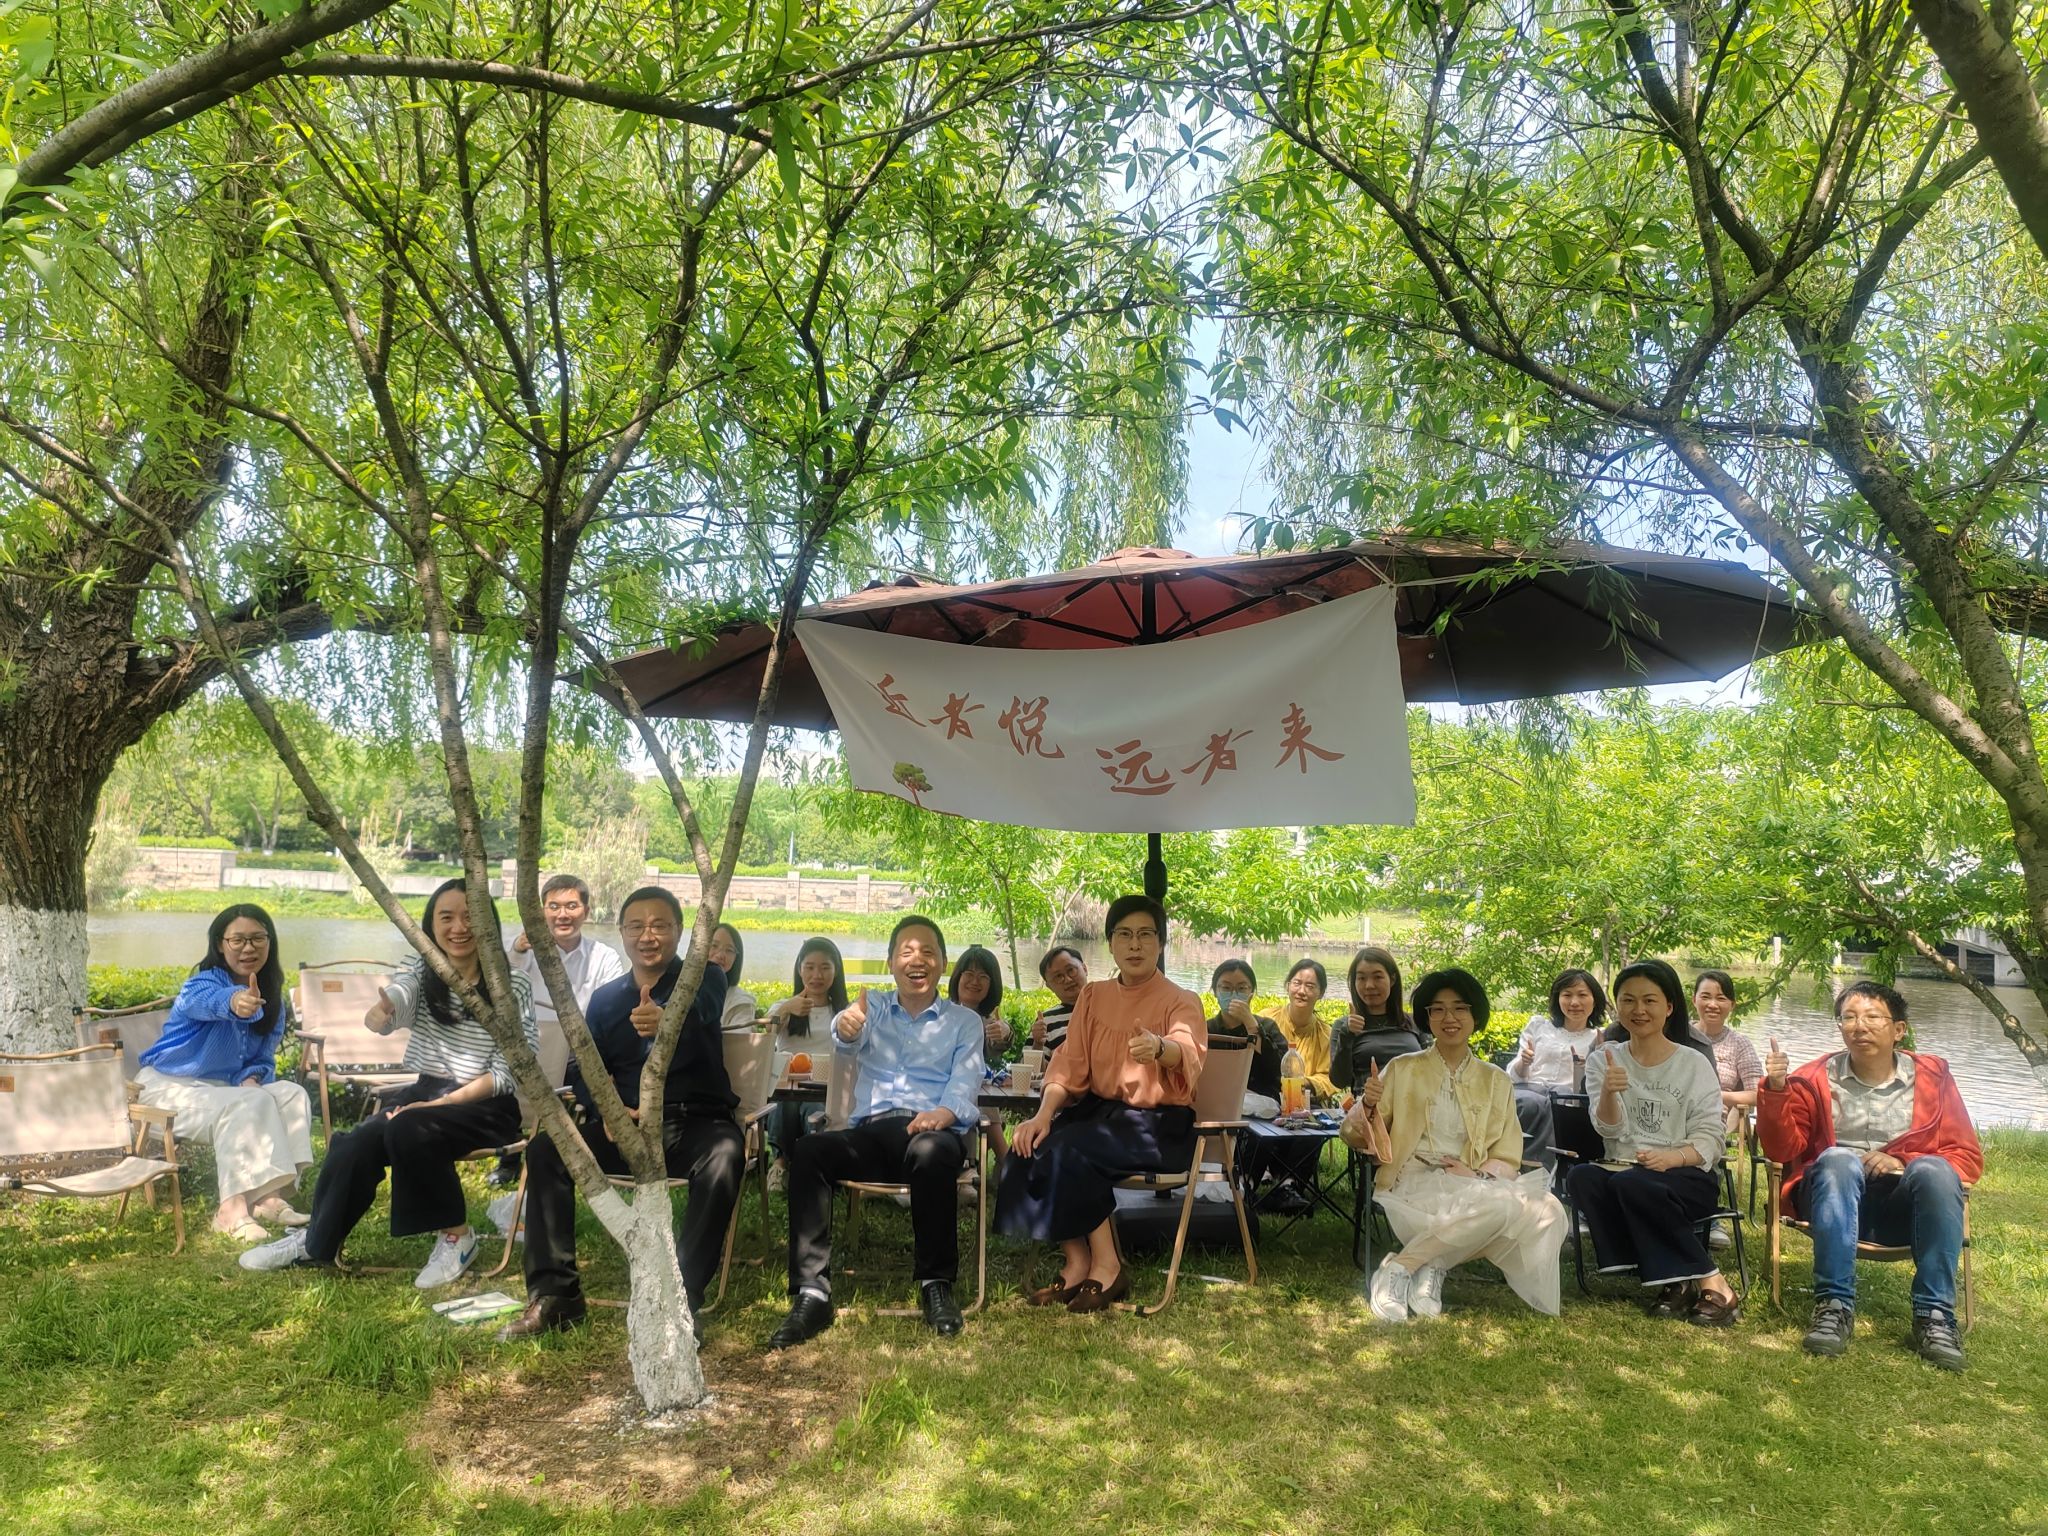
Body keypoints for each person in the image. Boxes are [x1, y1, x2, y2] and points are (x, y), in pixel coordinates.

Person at [241, 879, 537, 1286]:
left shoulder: (512, 985)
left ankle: (457, 1236)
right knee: (354, 1142)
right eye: (446, 917)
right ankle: (314, 1240)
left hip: (487, 1104)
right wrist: (382, 1012)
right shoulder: (422, 969)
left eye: (470, 917)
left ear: (489, 924)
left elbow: (510, 1071)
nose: (458, 927)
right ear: (430, 926)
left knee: (411, 1125)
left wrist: (440, 1106)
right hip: (426, 1090)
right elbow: (401, 993)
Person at [498, 887, 745, 1339]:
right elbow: (582, 1067)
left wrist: (666, 1018)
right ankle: (556, 1296)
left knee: (726, 1155)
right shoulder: (608, 998)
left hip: (694, 1124)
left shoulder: (705, 976)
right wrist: (607, 1111)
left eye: (660, 925)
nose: (648, 936)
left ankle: (679, 1299)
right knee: (548, 1150)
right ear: (622, 932)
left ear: (679, 931)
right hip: (625, 1128)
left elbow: (705, 1009)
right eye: (636, 926)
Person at [768, 914, 983, 1348]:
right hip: (872, 1133)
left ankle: (936, 1284)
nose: (917, 960)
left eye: (928, 952)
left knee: (931, 1151)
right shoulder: (876, 1007)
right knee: (809, 1151)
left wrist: (943, 1114)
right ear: (891, 963)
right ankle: (812, 1293)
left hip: (932, 1133)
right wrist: (844, 1027)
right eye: (907, 952)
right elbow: (846, 1034)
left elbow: (965, 1082)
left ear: (943, 963)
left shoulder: (963, 1021)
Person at [1757, 981, 1982, 1371]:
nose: (1859, 1026)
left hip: (1902, 1209)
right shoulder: (1813, 1078)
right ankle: (1834, 1306)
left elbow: (1966, 1157)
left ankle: (1934, 1317)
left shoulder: (1933, 1078)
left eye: (1873, 1017)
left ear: (1899, 1029)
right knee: (1839, 1160)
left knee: (1933, 1168)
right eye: (1849, 1017)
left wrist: (1900, 1160)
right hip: (1831, 1199)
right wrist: (1777, 1091)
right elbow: (1781, 1151)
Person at [998, 894, 1206, 1313]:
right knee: (1030, 1145)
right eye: (1124, 934)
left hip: (1157, 1126)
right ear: (1110, 943)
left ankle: (1109, 1266)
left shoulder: (1181, 1000)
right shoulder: (1093, 997)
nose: (1135, 944)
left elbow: (1186, 1049)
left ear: (1161, 943)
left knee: (1072, 1149)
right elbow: (1068, 1064)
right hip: (1100, 1116)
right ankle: (1077, 1261)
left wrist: (1159, 1047)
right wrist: (1042, 1115)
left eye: (1145, 934)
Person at [1344, 967, 1565, 1322]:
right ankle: (1411, 1270)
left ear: (1475, 1016)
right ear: (1427, 1017)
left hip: (1472, 1183)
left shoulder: (1496, 1080)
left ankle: (1412, 1265)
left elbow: (1507, 1154)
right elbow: (1353, 1135)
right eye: (1439, 1009)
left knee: (1550, 1210)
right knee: (1502, 1207)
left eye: (1460, 1008)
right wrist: (1367, 1106)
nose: (1450, 1018)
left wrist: (1477, 1175)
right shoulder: (1403, 1068)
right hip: (1412, 1183)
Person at [1566, 959, 1741, 1327]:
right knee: (1582, 1176)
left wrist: (1671, 1158)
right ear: (1617, 1006)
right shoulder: (1603, 1060)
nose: (1639, 1010)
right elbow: (1608, 1131)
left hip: (1686, 1174)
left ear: (1669, 1007)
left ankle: (1711, 1281)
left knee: (1633, 1183)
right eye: (1628, 1000)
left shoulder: (1693, 1063)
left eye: (1649, 1000)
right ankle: (1675, 1279)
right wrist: (1609, 1093)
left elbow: (1712, 1138)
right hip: (1624, 1171)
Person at [135, 904, 313, 1242]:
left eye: (257, 938)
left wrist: (253, 1078)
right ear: (220, 944)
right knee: (245, 1102)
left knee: (291, 1094)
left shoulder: (272, 999)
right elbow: (208, 1001)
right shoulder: (199, 984)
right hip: (167, 1088)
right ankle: (230, 1211)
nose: (248, 948)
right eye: (238, 940)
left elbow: (263, 1058)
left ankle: (268, 1197)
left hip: (221, 1088)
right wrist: (236, 1001)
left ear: (270, 942)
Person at [492, 873, 626, 1186]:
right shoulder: (521, 953)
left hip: (579, 1053)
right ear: (542, 911)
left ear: (586, 911)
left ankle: (589, 1153)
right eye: (554, 907)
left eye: (571, 906)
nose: (562, 914)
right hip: (531, 1050)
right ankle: (510, 1155)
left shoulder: (604, 957)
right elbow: (499, 988)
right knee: (502, 1073)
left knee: (599, 1079)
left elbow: (611, 1009)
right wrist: (518, 951)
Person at [761, 936, 851, 1189]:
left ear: (836, 971)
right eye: (809, 967)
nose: (817, 975)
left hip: (825, 1089)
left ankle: (812, 1167)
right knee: (785, 1103)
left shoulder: (843, 1012)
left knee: (815, 1109)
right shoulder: (785, 1007)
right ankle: (780, 1164)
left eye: (825, 967)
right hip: (786, 1089)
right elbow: (766, 1038)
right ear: (799, 970)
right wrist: (786, 1009)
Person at [1507, 968, 1609, 1171]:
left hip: (1567, 1098)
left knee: (1558, 1101)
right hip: (1529, 1089)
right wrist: (1524, 1062)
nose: (1574, 1002)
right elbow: (1513, 1076)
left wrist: (1585, 1067)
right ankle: (1537, 1166)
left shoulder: (1599, 1037)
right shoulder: (1539, 1027)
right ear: (1557, 998)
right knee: (1533, 1102)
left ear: (1594, 999)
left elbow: (1592, 1087)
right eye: (1567, 995)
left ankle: (1534, 1165)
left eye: (1582, 995)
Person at [1329, 946, 1425, 1092]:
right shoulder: (1344, 1026)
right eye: (1361, 978)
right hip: (1368, 1104)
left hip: (1413, 1103)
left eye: (1378, 977)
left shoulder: (1415, 1022)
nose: (1369, 985)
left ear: (1392, 979)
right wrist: (1347, 1034)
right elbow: (1340, 1081)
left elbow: (1433, 1070)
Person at [1207, 959, 1287, 1117]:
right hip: (1216, 1106)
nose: (1233, 995)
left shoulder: (1268, 1027)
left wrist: (1251, 1024)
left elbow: (1281, 1069)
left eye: (1241, 988)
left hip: (1264, 1108)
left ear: (1252, 992)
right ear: (1215, 991)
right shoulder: (1206, 1029)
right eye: (1226, 988)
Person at [1272, 958, 1339, 1103]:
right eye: (1297, 983)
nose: (1302, 991)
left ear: (1321, 993)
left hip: (1307, 1105)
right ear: (1288, 986)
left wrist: (1306, 1083)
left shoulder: (1327, 1035)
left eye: (1310, 986)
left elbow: (1330, 1078)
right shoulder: (1268, 1019)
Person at [950, 946, 1013, 1055]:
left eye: (983, 976)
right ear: (958, 977)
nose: (975, 981)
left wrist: (1006, 1032)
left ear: (992, 985)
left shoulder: (988, 1024)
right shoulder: (939, 1013)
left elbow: (995, 1046)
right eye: (969, 974)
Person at [1032, 946, 1087, 1053]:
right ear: (1049, 986)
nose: (1067, 980)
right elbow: (1030, 1063)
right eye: (1058, 976)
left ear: (1084, 969)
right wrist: (1038, 1044)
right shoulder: (1045, 1022)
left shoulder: (1110, 1005)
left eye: (1071, 970)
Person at [709, 922, 757, 1030]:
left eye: (729, 950)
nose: (720, 955)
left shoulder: (742, 1002)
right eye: (714, 946)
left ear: (736, 958)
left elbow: (740, 1038)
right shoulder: (681, 989)